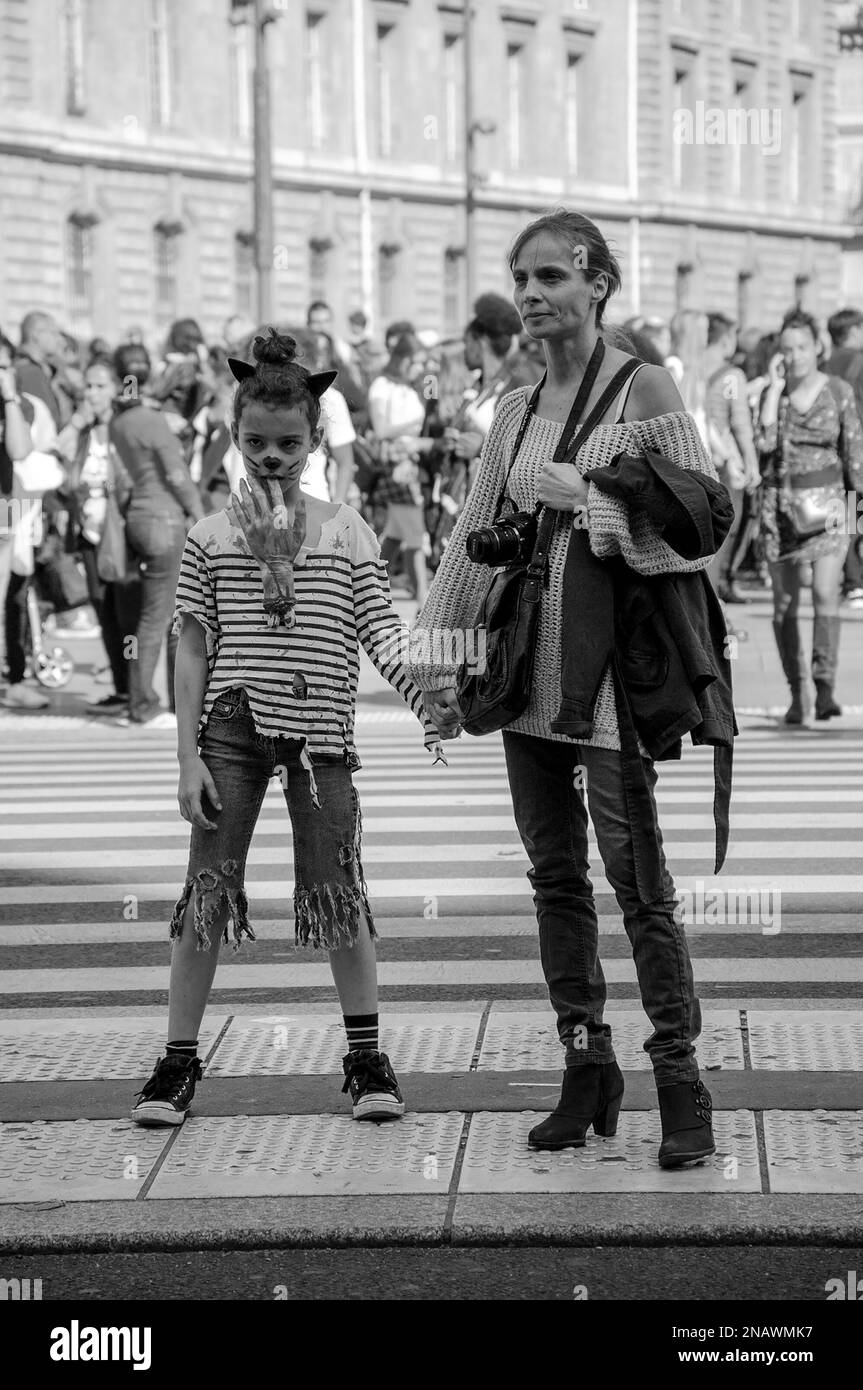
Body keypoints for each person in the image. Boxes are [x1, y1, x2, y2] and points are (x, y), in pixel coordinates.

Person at [411, 208, 728, 1170]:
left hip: (610, 683)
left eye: (550, 274)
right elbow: (472, 549)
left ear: (597, 282)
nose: (532, 292)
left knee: (640, 887)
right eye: (522, 276)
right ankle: (584, 1067)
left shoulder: (646, 387)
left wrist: (584, 500)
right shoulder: (508, 411)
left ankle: (681, 1082)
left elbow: (701, 521)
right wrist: (434, 667)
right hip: (524, 680)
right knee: (554, 878)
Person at [131, 328, 440, 1128]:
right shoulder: (210, 535)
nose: (272, 457)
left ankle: (366, 1057)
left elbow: (379, 627)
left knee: (340, 894)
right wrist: (185, 756)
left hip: (322, 734)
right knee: (206, 891)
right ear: (234, 436)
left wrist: (426, 700)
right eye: (257, 442)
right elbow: (191, 648)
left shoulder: (344, 529)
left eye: (289, 442)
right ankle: (177, 1063)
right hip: (231, 728)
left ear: (315, 438)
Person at [756, 309, 863, 724]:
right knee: (783, 606)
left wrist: (857, 521)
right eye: (787, 349)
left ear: (817, 346)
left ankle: (824, 688)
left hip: (831, 506)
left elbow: (854, 456)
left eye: (802, 347)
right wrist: (772, 391)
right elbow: (764, 444)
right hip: (780, 507)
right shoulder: (774, 395)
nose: (796, 355)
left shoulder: (837, 390)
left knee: (824, 593)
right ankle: (796, 691)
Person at [108, 343, 204, 728]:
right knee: (162, 616)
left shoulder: (119, 421)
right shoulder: (150, 419)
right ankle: (145, 703)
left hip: (139, 517)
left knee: (157, 616)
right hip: (164, 519)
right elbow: (176, 474)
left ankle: (160, 700)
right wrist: (198, 513)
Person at [54, 359, 134, 715]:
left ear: (116, 389)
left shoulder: (124, 426)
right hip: (89, 534)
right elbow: (54, 454)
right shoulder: (84, 432)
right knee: (104, 612)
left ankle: (136, 688)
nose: (92, 393)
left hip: (122, 533)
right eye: (88, 386)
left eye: (100, 386)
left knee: (127, 612)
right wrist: (76, 422)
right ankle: (119, 688)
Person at [367, 333, 429, 605]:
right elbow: (381, 429)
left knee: (394, 535)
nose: (420, 369)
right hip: (395, 466)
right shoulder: (381, 386)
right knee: (415, 534)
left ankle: (364, 583)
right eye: (416, 363)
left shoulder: (414, 386)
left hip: (410, 464)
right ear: (403, 360)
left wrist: (430, 383)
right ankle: (425, 602)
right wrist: (415, 424)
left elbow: (434, 408)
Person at [704, 312, 761, 603]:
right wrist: (751, 463)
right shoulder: (732, 375)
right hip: (727, 464)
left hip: (697, 460)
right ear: (726, 338)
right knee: (727, 530)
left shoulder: (691, 368)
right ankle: (716, 599)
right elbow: (740, 423)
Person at [0, 335, 36, 697]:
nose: (3, 374)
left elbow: (21, 449)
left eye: (6, 366)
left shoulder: (14, 404)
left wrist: (9, 396)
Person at [824, 308, 863, 605]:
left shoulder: (826, 363)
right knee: (855, 514)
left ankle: (846, 579)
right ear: (854, 330)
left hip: (830, 449)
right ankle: (854, 580)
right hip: (856, 445)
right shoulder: (859, 361)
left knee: (842, 515)